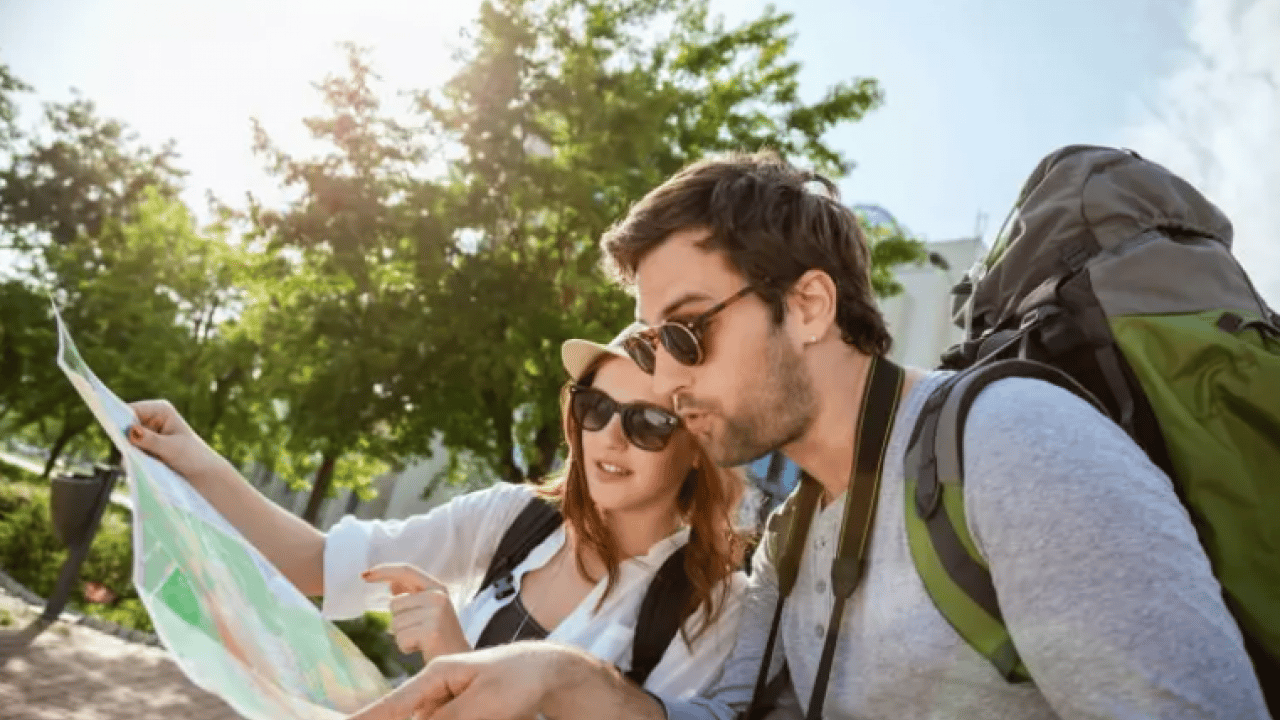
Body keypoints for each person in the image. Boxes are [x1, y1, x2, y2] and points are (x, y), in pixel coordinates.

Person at [347, 150, 1272, 720]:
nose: (665, 380)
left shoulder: (1012, 447)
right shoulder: (794, 538)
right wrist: (554, 674)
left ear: (810, 304)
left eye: (685, 331)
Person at [126, 326, 749, 699]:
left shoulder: (712, 605)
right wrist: (196, 458)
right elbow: (318, 563)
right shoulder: (514, 517)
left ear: (697, 449)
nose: (610, 437)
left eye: (648, 423)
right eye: (597, 408)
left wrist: (456, 660)